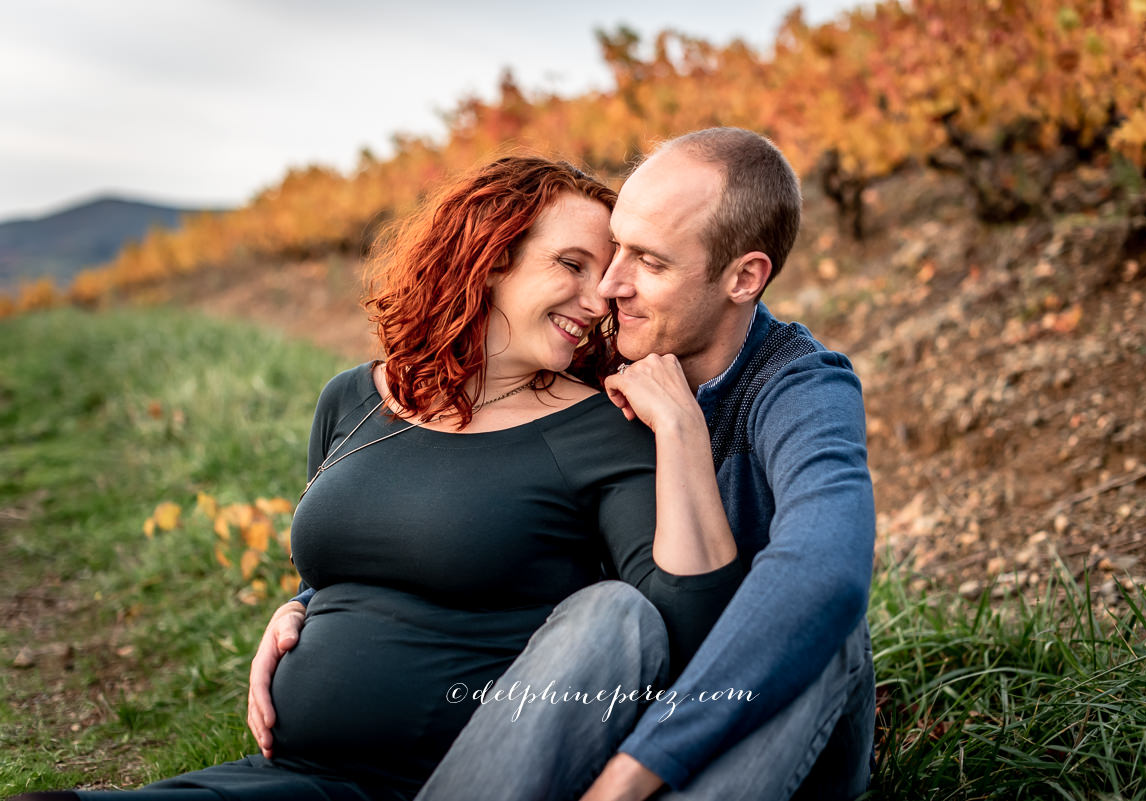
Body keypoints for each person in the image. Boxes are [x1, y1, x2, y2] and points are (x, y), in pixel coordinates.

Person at [11, 156, 745, 801]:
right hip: (293, 771)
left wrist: (679, 428)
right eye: (573, 264)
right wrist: (299, 607)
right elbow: (343, 564)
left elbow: (675, 624)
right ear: (489, 257)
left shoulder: (598, 426)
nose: (599, 299)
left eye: (609, 273)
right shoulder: (355, 398)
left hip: (459, 775)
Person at [251, 128, 877, 801]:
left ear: (743, 277)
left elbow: (825, 570)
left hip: (732, 739)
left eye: (649, 261)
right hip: (606, 707)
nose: (609, 288)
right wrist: (314, 603)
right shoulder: (595, 374)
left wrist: (635, 768)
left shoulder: (798, 387)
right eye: (611, 253)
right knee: (610, 612)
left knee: (822, 632)